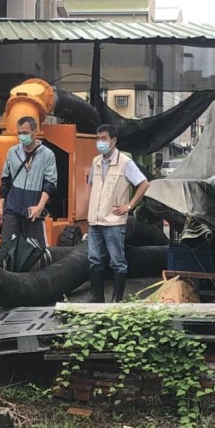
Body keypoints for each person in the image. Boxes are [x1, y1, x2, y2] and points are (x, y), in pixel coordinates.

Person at [87, 124, 150, 302]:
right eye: (97, 139)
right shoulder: (96, 162)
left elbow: (144, 184)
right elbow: (92, 185)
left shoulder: (125, 163)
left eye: (103, 139)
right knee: (94, 259)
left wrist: (129, 206)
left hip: (113, 221)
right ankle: (97, 298)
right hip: (95, 220)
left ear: (113, 141)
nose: (100, 142)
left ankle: (116, 300)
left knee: (117, 261)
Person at [0, 115, 58, 250]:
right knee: (7, 250)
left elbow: (50, 183)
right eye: (19, 133)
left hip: (34, 210)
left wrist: (40, 206)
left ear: (34, 132)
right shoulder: (12, 152)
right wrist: (1, 207)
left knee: (36, 252)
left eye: (25, 133)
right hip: (12, 209)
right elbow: (5, 181)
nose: (21, 136)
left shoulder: (47, 154)